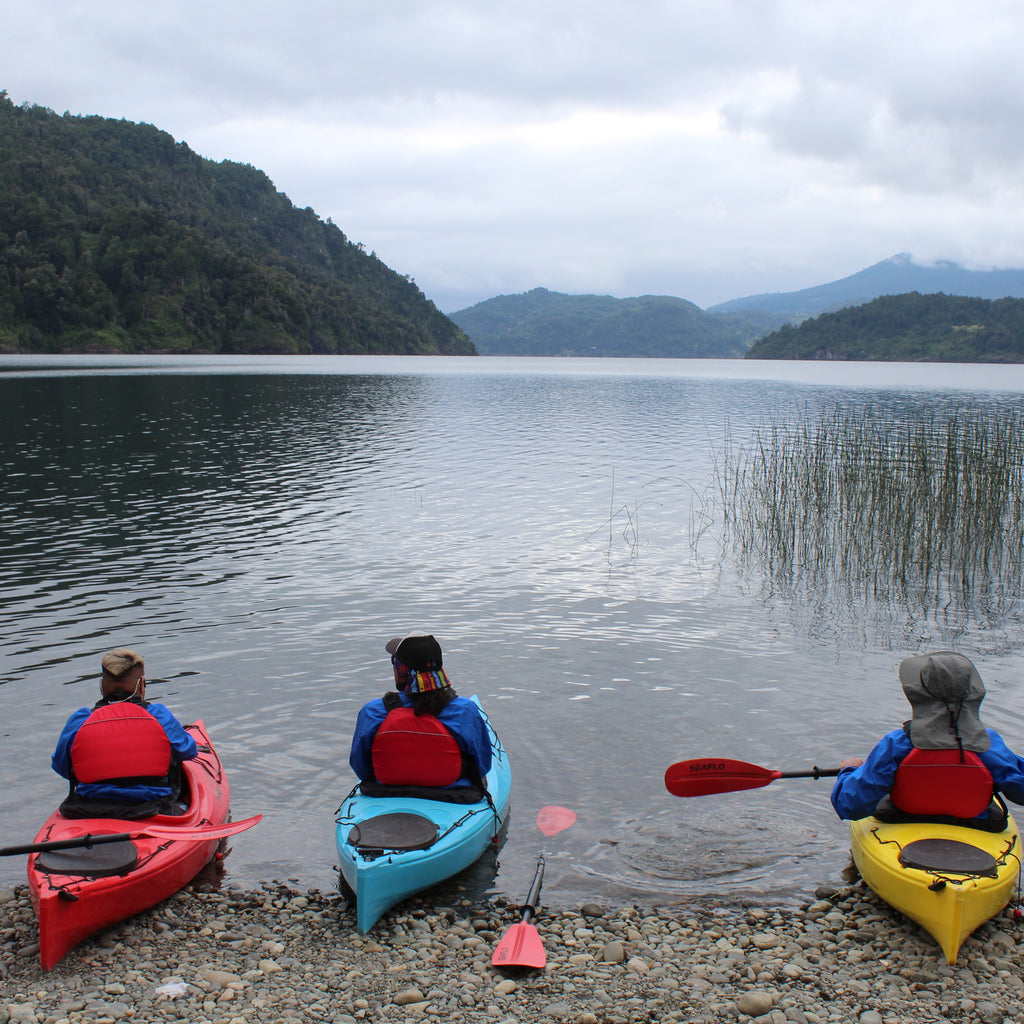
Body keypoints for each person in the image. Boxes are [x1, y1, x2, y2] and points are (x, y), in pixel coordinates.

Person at [831, 651, 1024, 825]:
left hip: (904, 819)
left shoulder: (897, 744)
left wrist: (849, 770)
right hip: (976, 824)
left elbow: (849, 805)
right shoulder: (988, 743)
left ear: (919, 692)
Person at [52, 648, 198, 818]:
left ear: (102, 684)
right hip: (153, 807)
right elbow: (188, 751)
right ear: (141, 684)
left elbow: (61, 766)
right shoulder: (158, 715)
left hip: (90, 807)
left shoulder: (81, 719)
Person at [349, 631, 492, 801]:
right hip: (454, 795)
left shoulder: (373, 711)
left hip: (385, 792)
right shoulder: (464, 710)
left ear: (401, 670)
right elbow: (482, 766)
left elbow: (361, 767)